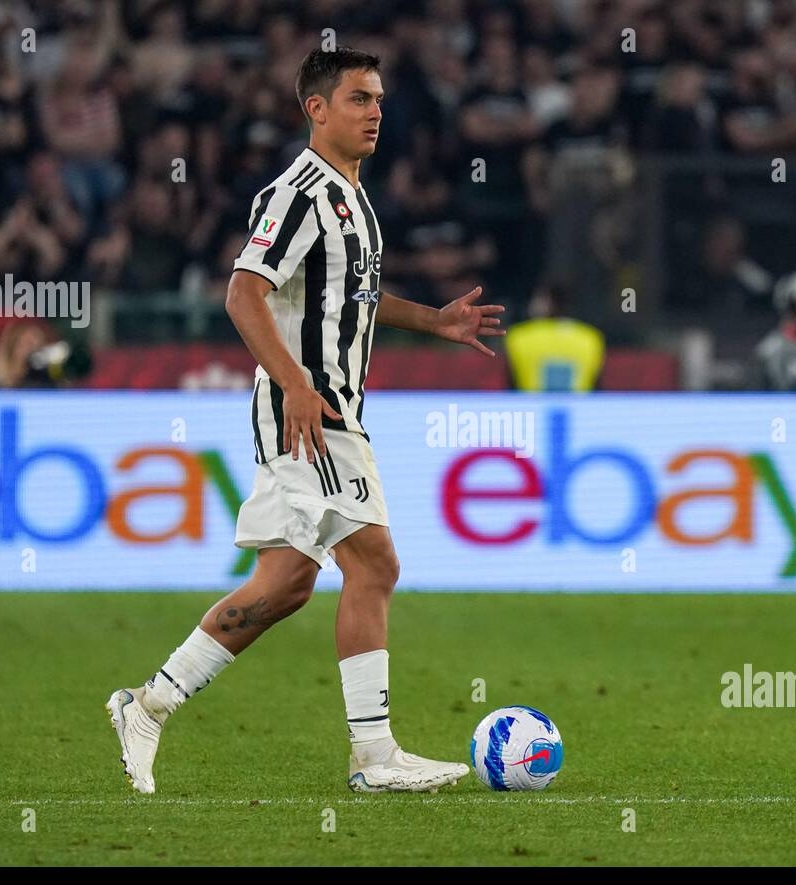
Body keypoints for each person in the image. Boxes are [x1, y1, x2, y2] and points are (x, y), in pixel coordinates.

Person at [107, 47, 505, 794]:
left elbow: (351, 296)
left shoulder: (352, 196)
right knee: (375, 564)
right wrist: (293, 384)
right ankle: (375, 757)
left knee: (286, 584)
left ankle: (148, 704)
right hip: (310, 410)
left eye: (380, 98)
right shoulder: (297, 194)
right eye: (359, 98)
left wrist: (435, 320)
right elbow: (242, 293)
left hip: (328, 407)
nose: (376, 111)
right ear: (315, 109)